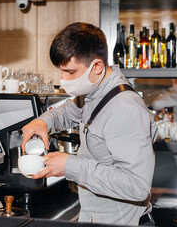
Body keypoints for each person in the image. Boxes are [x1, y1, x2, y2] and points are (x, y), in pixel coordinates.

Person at [20, 22, 157, 226]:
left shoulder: (125, 108)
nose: (63, 79)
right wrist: (43, 121)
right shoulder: (95, 91)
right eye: (61, 71)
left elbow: (136, 185)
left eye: (71, 72)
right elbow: (69, 110)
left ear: (97, 66)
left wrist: (69, 166)